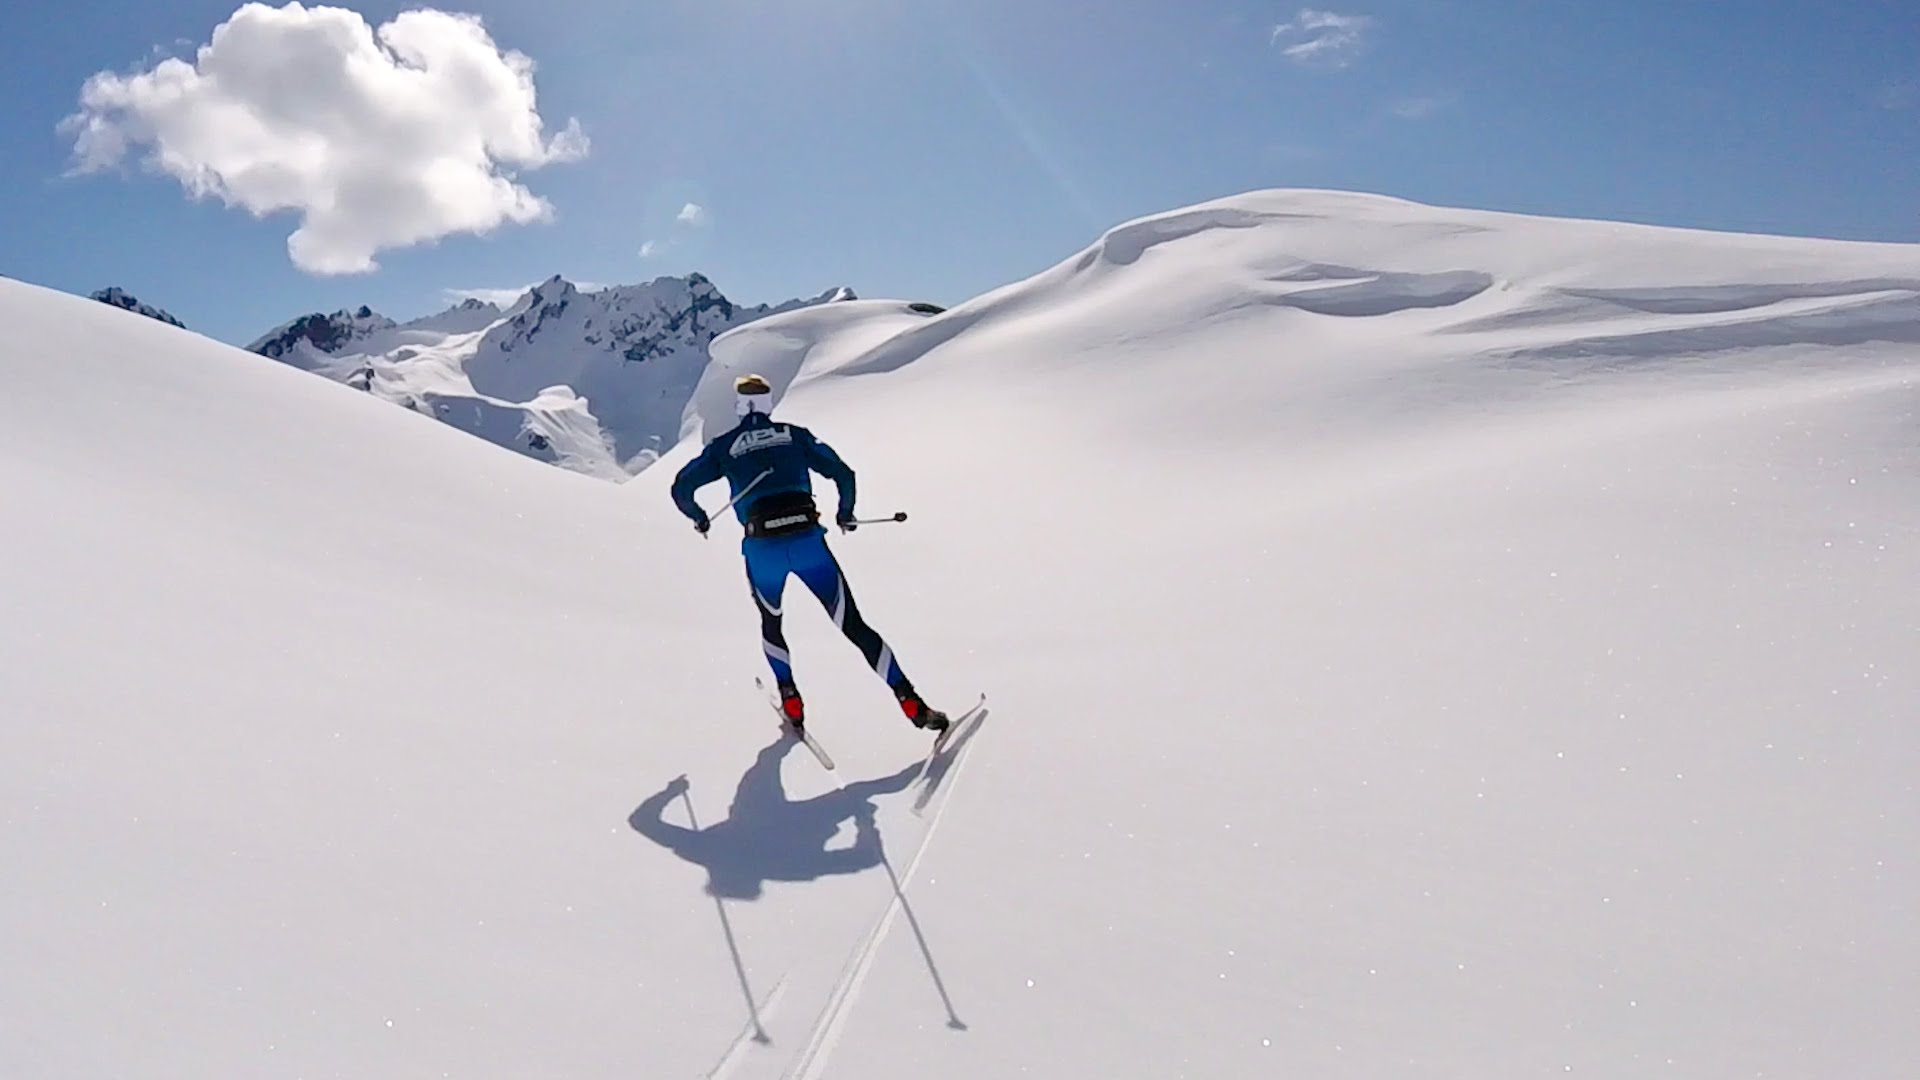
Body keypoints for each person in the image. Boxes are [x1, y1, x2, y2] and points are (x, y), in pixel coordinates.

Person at [670, 374, 948, 733]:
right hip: (808, 542)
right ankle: (910, 700)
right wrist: (845, 513)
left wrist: (700, 518)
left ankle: (790, 696)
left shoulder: (724, 447)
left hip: (762, 549)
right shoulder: (795, 435)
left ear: (739, 406)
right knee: (853, 625)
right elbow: (843, 473)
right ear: (769, 403)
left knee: (772, 622)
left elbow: (680, 488)